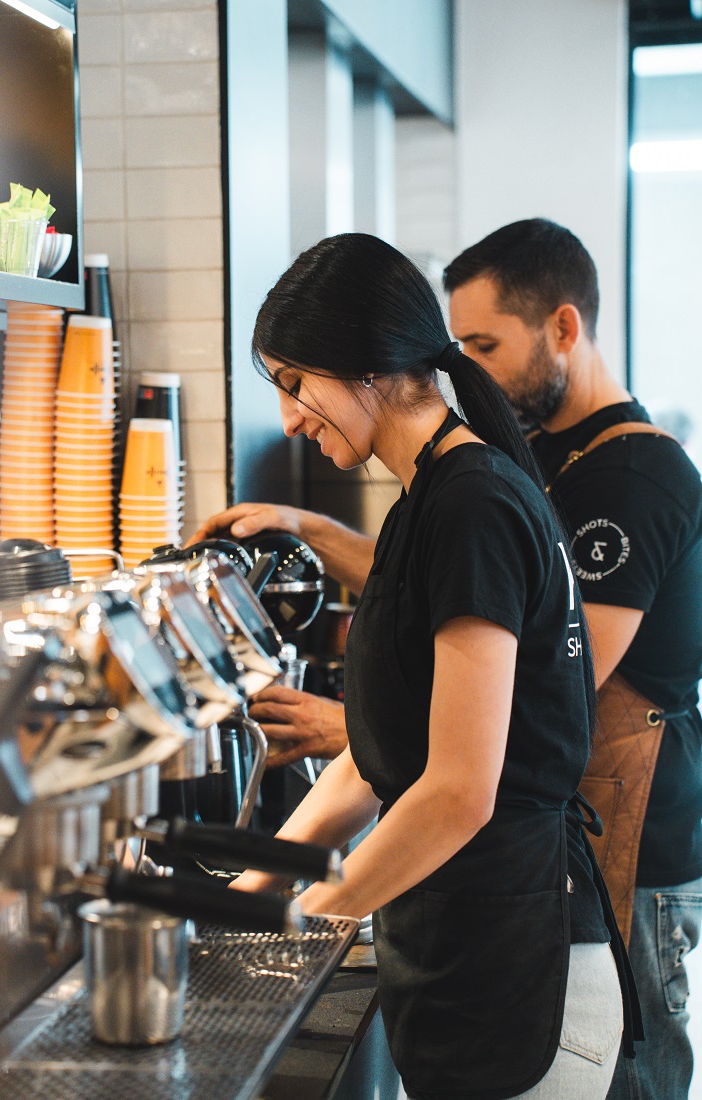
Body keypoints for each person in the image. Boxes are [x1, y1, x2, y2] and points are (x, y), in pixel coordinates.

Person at [194, 219, 702, 1100]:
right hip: (466, 957)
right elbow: (379, 758)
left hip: (520, 971)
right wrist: (252, 891)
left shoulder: (473, 503)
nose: (288, 416)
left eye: (295, 384)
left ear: (363, 365)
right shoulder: (428, 499)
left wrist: (300, 924)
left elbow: (461, 790)